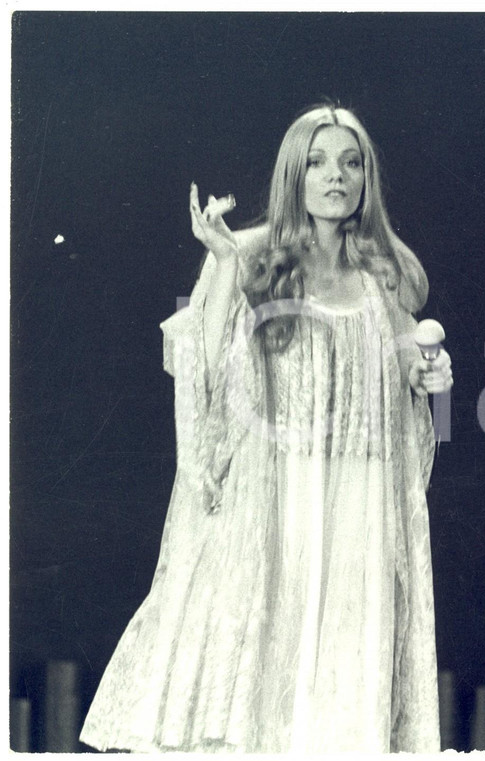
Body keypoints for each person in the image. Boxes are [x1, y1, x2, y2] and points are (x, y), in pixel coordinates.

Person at [80, 104, 453, 753]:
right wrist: (224, 263)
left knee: (344, 676)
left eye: (351, 163)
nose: (335, 176)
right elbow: (203, 362)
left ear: (366, 178)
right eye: (317, 162)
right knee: (269, 674)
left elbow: (405, 372)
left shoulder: (389, 268)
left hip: (359, 500)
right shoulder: (249, 253)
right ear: (292, 175)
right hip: (278, 495)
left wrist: (429, 376)